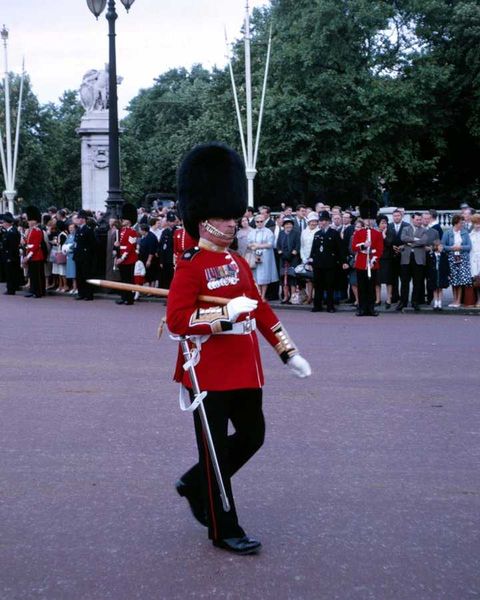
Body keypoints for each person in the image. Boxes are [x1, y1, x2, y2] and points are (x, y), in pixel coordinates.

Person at [166, 142, 311, 556]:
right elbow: (177, 321)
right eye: (224, 217)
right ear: (203, 220)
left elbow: (261, 309)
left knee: (253, 435)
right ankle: (223, 528)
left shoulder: (238, 262)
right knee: (214, 452)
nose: (233, 223)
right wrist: (225, 314)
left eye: (234, 216)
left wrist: (287, 351)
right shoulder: (190, 266)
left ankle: (196, 482)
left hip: (245, 370)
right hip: (208, 372)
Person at [309, 211, 347, 313]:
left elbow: (340, 249)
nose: (323, 222)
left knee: (330, 285)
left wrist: (344, 261)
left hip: (330, 264)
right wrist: (311, 261)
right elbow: (314, 249)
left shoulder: (334, 233)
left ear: (329, 222)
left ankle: (330, 306)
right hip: (318, 264)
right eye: (321, 221)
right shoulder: (317, 234)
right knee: (318, 285)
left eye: (325, 220)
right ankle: (317, 305)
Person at [351, 201, 384, 316]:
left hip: (372, 263)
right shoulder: (358, 233)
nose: (368, 221)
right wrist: (363, 246)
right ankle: (362, 308)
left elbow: (380, 249)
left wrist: (374, 259)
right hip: (361, 262)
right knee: (362, 287)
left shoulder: (377, 234)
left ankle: (371, 308)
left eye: (370, 219)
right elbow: (354, 247)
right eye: (366, 219)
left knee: (371, 287)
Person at [397, 212, 428, 311]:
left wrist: (411, 243)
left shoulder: (424, 230)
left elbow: (424, 241)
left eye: (420, 220)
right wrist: (415, 239)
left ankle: (415, 302)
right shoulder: (406, 229)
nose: (419, 221)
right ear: (412, 219)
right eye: (417, 220)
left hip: (418, 259)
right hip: (406, 258)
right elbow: (403, 238)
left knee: (417, 282)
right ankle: (403, 302)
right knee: (404, 282)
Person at [442, 214, 472, 308]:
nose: (462, 224)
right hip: (451, 258)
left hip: (463, 259)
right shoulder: (447, 233)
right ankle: (454, 300)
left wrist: (460, 247)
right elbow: (443, 246)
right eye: (460, 223)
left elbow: (469, 246)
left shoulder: (465, 233)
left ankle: (458, 300)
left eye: (462, 222)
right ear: (455, 223)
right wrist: (452, 248)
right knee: (453, 280)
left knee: (460, 280)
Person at [247, 213, 278, 300]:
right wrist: (252, 246)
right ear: (255, 222)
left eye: (261, 221)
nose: (259, 223)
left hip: (266, 256)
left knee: (264, 276)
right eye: (257, 221)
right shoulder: (252, 232)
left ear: (264, 222)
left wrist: (258, 246)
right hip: (254, 256)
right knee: (256, 276)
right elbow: (248, 243)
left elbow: (270, 244)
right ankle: (258, 294)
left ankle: (263, 296)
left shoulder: (268, 232)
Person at [115, 203, 138, 305]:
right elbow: (121, 245)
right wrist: (117, 245)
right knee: (123, 279)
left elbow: (130, 247)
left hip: (129, 259)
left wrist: (122, 258)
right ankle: (124, 297)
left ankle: (129, 298)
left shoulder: (132, 232)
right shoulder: (122, 231)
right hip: (122, 258)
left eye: (124, 219)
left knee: (129, 279)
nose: (122, 220)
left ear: (129, 221)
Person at [22, 206, 46, 298]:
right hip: (31, 255)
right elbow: (30, 244)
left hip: (37, 256)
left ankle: (39, 292)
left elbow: (36, 245)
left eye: (30, 220)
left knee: (37, 275)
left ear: (34, 221)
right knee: (32, 275)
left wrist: (27, 256)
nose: (28, 222)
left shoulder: (37, 230)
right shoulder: (31, 230)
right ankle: (33, 290)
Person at [73, 209, 97, 301]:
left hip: (86, 256)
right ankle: (81, 293)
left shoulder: (88, 230)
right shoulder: (78, 229)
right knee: (79, 276)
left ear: (82, 219)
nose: (77, 220)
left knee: (86, 275)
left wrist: (88, 255)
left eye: (78, 218)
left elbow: (93, 244)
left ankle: (88, 294)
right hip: (78, 255)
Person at [276, 216, 301, 303]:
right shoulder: (281, 233)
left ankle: (292, 297)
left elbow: (297, 245)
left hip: (293, 258)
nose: (288, 226)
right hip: (283, 258)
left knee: (292, 277)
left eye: (290, 224)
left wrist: (292, 255)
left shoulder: (296, 233)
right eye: (286, 224)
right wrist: (281, 254)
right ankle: (286, 296)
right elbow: (278, 245)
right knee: (284, 278)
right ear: (284, 225)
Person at [387, 209, 408, 303]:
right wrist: (392, 246)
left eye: (398, 216)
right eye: (395, 216)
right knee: (393, 278)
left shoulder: (407, 226)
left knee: (404, 278)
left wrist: (404, 246)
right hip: (392, 256)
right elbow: (386, 240)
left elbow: (411, 239)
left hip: (404, 255)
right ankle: (395, 297)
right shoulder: (389, 226)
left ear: (401, 216)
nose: (396, 217)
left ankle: (404, 298)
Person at [376, 215, 394, 308]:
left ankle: (389, 299)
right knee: (377, 280)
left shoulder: (390, 232)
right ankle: (378, 299)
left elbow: (389, 243)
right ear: (378, 224)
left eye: (385, 223)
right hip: (377, 259)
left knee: (388, 280)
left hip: (387, 259)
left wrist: (383, 235)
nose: (384, 225)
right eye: (382, 223)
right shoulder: (375, 232)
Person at [300, 212, 319, 304]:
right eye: (312, 221)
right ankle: (309, 297)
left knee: (316, 278)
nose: (313, 223)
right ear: (308, 222)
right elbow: (302, 246)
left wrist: (313, 258)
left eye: (315, 221)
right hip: (306, 258)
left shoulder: (318, 231)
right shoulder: (304, 232)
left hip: (316, 259)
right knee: (308, 279)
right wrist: (304, 258)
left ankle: (317, 297)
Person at [0, 213, 21, 295]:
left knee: (11, 273)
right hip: (7, 255)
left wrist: (10, 257)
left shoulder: (12, 232)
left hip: (10, 256)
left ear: (7, 223)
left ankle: (11, 289)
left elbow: (13, 247)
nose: (2, 224)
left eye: (4, 222)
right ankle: (11, 287)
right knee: (9, 273)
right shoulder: (8, 231)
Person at [426, 240, 450, 310]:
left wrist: (448, 274)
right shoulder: (431, 255)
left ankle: (440, 303)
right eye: (440, 246)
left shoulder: (444, 255)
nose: (442, 247)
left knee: (440, 288)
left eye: (442, 246)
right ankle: (435, 303)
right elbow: (428, 266)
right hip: (434, 274)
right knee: (435, 289)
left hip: (441, 274)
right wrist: (428, 275)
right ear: (436, 247)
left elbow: (447, 265)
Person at [469, 214, 480, 307]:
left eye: (479, 223)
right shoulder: (470, 235)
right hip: (473, 260)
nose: (478, 225)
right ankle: (477, 300)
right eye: (476, 223)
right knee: (475, 280)